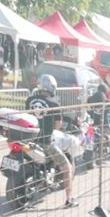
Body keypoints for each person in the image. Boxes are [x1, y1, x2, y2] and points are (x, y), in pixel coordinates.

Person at [25, 74, 77, 208]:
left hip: (30, 139)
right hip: (46, 142)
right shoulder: (54, 104)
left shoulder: (29, 100)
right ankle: (69, 199)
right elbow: (58, 125)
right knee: (67, 167)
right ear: (52, 87)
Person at [86, 83, 110, 166]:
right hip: (105, 125)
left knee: (87, 139)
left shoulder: (90, 100)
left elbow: (87, 110)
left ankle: (87, 155)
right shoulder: (107, 101)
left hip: (92, 125)